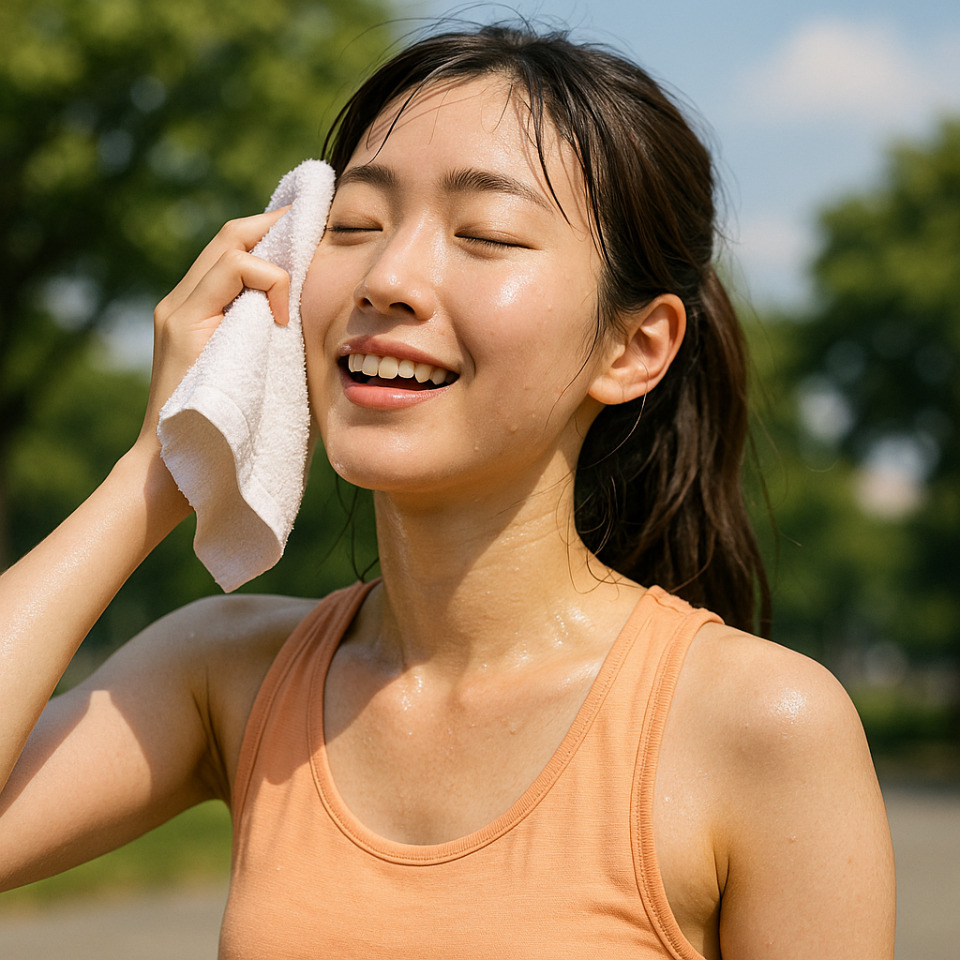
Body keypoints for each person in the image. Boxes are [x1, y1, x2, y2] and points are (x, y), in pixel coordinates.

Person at [0, 23, 895, 959]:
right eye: (353, 226)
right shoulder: (228, 675)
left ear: (635, 348)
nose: (386, 278)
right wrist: (162, 458)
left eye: (485, 235)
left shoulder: (762, 727)